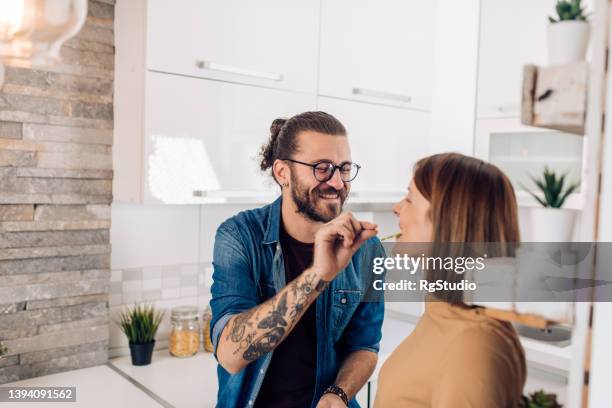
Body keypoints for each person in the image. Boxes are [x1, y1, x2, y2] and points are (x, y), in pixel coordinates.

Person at [210, 111, 385, 408]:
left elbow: (365, 346)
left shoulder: (367, 249)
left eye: (344, 168)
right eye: (322, 168)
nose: (338, 183)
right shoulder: (239, 236)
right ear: (283, 173)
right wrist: (318, 274)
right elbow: (230, 354)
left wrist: (339, 393)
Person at [374, 153, 526, 408]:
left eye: (409, 198)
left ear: (446, 219)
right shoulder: (440, 310)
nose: (397, 207)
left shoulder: (474, 346)